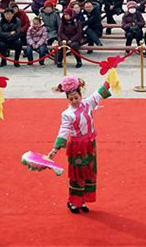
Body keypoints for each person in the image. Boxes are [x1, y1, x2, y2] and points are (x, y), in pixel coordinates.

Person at [46, 76, 112, 213]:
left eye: (76, 98)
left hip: (90, 145)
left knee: (90, 172)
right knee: (78, 175)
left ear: (81, 95)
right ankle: (73, 202)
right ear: (67, 99)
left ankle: (82, 201)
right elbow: (63, 131)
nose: (74, 101)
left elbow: (99, 93)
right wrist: (55, 149)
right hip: (77, 148)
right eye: (71, 99)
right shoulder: (67, 114)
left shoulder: (88, 104)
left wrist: (110, 77)